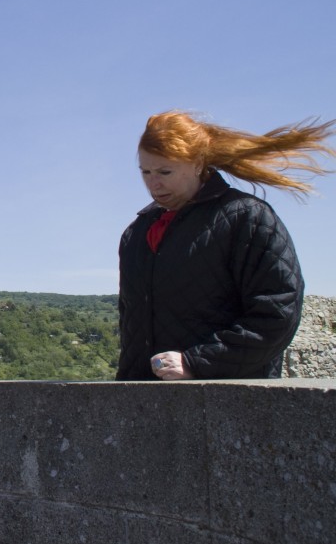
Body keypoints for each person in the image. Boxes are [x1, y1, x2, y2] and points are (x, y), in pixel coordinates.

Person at [117, 111, 335, 381]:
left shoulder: (248, 217)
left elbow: (277, 313)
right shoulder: (137, 232)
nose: (153, 183)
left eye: (165, 171)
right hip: (141, 403)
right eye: (145, 172)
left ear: (197, 163)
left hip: (228, 400)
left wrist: (197, 362)